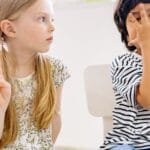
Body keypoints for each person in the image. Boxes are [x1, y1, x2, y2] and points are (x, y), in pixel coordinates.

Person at [0, 0, 70, 149]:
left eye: (52, 19)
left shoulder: (55, 69)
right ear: (9, 28)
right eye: (41, 19)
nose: (52, 27)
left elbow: (55, 117)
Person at [100, 0, 150, 149]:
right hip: (128, 142)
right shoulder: (124, 63)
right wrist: (147, 45)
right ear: (126, 33)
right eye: (138, 18)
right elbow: (147, 100)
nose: (146, 25)